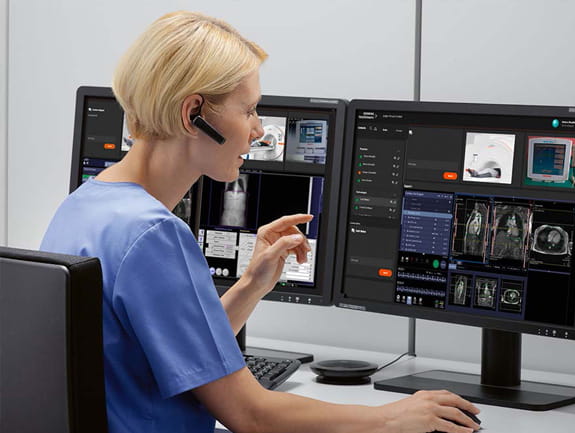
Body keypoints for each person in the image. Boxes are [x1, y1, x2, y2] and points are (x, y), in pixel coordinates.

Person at [40, 11, 481, 433]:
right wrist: (393, 418)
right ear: (193, 113)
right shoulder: (154, 234)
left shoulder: (85, 205)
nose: (259, 131)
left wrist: (251, 285)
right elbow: (251, 415)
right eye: (249, 110)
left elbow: (176, 352)